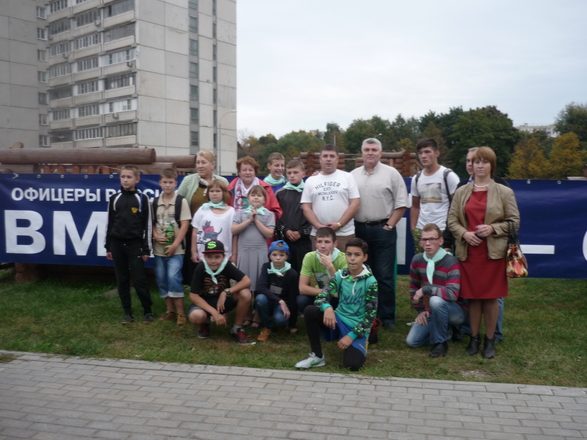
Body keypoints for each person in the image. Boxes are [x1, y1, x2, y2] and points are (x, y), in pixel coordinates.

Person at [448, 146, 520, 359]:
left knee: (490, 298)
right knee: (472, 297)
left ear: (492, 165)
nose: (479, 166)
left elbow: (514, 222)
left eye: (484, 162)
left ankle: (490, 340)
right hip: (469, 252)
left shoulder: (504, 192)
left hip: (493, 253)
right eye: (476, 162)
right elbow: (452, 220)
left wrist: (492, 229)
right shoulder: (461, 192)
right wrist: (464, 233)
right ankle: (474, 338)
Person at [295, 238, 378, 371]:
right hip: (338, 320)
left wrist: (351, 336)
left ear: (365, 257)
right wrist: (327, 308)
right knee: (310, 310)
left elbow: (370, 316)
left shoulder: (371, 282)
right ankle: (317, 356)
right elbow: (321, 297)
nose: (352, 258)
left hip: (356, 326)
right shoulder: (340, 275)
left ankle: (361, 341)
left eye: (357, 255)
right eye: (349, 254)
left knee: (352, 365)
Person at [351, 138, 408, 332]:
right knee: (361, 274)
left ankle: (387, 316)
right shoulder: (352, 176)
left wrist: (390, 226)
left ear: (380, 153)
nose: (370, 153)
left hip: (383, 228)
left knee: (384, 275)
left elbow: (401, 203)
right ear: (362, 152)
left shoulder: (391, 174)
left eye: (374, 149)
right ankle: (365, 312)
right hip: (359, 230)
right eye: (367, 149)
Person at [406, 223, 466, 358]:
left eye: (432, 239)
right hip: (432, 310)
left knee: (436, 300)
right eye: (424, 239)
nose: (428, 243)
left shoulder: (451, 261)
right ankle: (448, 331)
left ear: (440, 241)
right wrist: (420, 310)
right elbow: (413, 288)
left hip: (455, 311)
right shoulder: (417, 260)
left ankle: (440, 343)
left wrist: (426, 289)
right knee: (412, 341)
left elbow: (452, 294)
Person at [105, 165, 153, 324]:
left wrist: (146, 248)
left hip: (135, 245)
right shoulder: (114, 198)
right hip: (117, 244)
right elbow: (109, 223)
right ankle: (127, 312)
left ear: (137, 179)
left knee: (139, 280)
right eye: (123, 176)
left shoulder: (142, 198)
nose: (125, 180)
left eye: (129, 177)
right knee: (122, 280)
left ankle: (147, 311)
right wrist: (108, 246)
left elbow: (147, 224)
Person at [177, 151, 228, 284]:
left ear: (212, 164)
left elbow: (226, 204)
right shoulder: (188, 181)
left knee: (215, 263)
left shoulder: (222, 182)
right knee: (195, 266)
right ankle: (196, 292)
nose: (200, 165)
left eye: (203, 162)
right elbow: (178, 201)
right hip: (193, 232)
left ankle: (216, 289)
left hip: (215, 233)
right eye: (198, 162)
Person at [188, 240, 253, 343]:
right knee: (196, 316)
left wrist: (226, 292)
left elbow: (247, 281)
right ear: (204, 257)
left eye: (217, 257)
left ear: (223, 256)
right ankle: (205, 323)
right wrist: (214, 312)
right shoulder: (201, 267)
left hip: (223, 302)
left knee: (245, 293)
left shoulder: (226, 265)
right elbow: (193, 296)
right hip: (205, 302)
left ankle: (237, 328)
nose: (213, 261)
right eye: (209, 257)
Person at [301, 144, 360, 251]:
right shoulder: (311, 181)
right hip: (319, 235)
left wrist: (339, 224)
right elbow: (306, 208)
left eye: (332, 156)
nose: (328, 159)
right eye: (325, 156)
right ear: (320, 159)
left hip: (344, 234)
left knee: (345, 262)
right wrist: (319, 226)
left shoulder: (348, 177)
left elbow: (355, 204)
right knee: (320, 262)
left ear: (337, 159)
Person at [152, 168, 192, 325]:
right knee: (162, 279)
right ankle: (170, 311)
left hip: (177, 249)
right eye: (164, 182)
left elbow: (185, 224)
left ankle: (181, 313)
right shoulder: (155, 202)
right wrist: (155, 236)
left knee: (173, 278)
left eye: (170, 182)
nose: (167, 185)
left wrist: (175, 244)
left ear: (176, 183)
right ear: (160, 183)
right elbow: (151, 223)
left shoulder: (181, 201)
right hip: (159, 250)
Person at [410, 138, 459, 254]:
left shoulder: (448, 176)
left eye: (427, 152)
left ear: (437, 153)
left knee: (442, 264)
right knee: (422, 264)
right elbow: (415, 206)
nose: (423, 156)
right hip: (422, 230)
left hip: (442, 229)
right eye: (420, 153)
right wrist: (414, 229)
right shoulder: (416, 178)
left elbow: (458, 207)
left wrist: (450, 232)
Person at [255, 240, 299, 340]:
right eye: (274, 255)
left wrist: (292, 324)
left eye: (281, 255)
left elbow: (293, 298)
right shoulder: (266, 267)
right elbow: (261, 287)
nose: (278, 258)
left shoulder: (292, 274)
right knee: (260, 298)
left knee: (280, 320)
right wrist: (280, 301)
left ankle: (283, 323)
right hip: (269, 300)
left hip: (284, 303)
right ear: (270, 256)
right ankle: (266, 326)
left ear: (287, 256)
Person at [297, 227, 347, 315]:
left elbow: (344, 290)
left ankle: (336, 316)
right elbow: (302, 288)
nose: (323, 246)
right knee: (301, 300)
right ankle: (313, 315)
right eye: (320, 242)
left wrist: (330, 267)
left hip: (336, 296)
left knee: (342, 298)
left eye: (327, 242)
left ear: (335, 244)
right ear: (315, 243)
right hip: (321, 293)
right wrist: (328, 292)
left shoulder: (343, 259)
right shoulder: (309, 257)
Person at [275, 159, 312, 274]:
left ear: (303, 174)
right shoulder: (280, 193)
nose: (292, 175)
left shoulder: (310, 192)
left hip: (304, 241)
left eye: (296, 172)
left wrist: (301, 232)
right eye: (289, 173)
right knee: (285, 273)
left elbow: (315, 216)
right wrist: (285, 230)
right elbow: (276, 217)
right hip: (285, 241)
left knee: (303, 272)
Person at [191, 179, 235, 264]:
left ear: (224, 193)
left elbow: (234, 235)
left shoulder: (231, 212)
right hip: (204, 255)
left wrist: (234, 254)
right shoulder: (202, 209)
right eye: (211, 191)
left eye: (218, 191)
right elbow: (194, 232)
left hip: (224, 256)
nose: (214, 194)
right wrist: (193, 251)